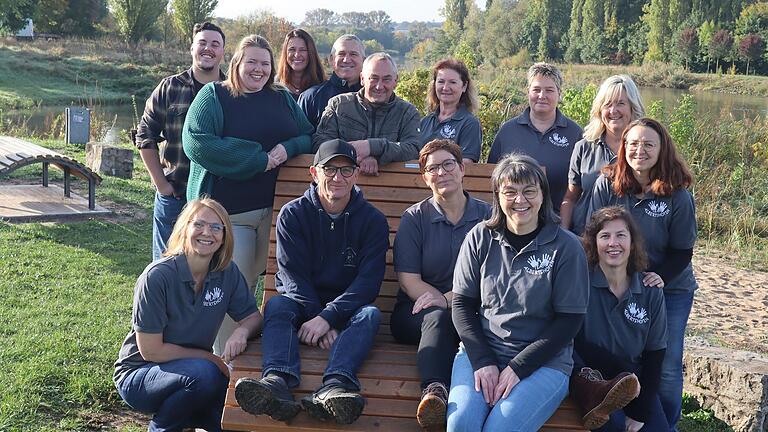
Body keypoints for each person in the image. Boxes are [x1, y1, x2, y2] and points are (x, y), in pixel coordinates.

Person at [234, 139, 389, 425]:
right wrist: (318, 316)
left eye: (345, 170)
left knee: (371, 314)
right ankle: (277, 381)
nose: (337, 177)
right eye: (329, 169)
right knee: (278, 304)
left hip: (347, 309)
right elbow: (292, 276)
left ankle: (335, 384)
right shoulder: (293, 214)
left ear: (356, 174)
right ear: (314, 173)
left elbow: (368, 283)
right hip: (301, 305)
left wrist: (329, 317)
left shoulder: (373, 221)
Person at [183, 34, 313, 355]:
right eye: (251, 61)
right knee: (230, 289)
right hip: (228, 217)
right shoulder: (214, 96)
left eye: (265, 63)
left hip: (273, 214)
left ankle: (259, 361)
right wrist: (259, 159)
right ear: (237, 63)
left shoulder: (281, 98)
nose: (258, 69)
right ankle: (223, 363)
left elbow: (309, 135)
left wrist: (287, 148)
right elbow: (197, 142)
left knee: (266, 285)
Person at [448, 154, 590, 431]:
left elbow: (569, 321)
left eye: (529, 191)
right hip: (481, 351)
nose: (520, 200)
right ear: (497, 196)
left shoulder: (566, 247)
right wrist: (484, 361)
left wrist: (518, 367)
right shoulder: (479, 237)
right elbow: (462, 304)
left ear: (543, 195)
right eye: (510, 192)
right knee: (461, 424)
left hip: (544, 362)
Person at [113, 198, 262, 432]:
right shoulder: (157, 277)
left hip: (195, 375)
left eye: (216, 227)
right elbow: (151, 350)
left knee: (233, 420)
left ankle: (190, 418)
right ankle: (162, 427)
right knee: (207, 374)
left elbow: (253, 318)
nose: (207, 233)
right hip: (141, 373)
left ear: (224, 236)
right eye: (199, 224)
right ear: (185, 228)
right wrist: (211, 358)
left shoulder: (227, 272)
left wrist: (242, 332)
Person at [588, 118, 696, 431]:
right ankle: (628, 407)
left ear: (662, 149)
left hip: (667, 285)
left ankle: (666, 423)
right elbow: (593, 233)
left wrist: (660, 276)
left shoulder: (678, 195)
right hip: (616, 282)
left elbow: (682, 251)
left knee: (668, 367)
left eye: (649, 144)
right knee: (622, 352)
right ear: (623, 147)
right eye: (633, 144)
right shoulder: (607, 184)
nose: (640, 150)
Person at [391, 139, 491, 428]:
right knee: (438, 317)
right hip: (416, 311)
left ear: (462, 169)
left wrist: (450, 300)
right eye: (432, 168)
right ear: (425, 178)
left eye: (448, 164)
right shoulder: (415, 218)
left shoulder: (487, 216)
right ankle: (433, 393)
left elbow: (491, 275)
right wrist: (441, 303)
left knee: (448, 314)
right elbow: (409, 280)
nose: (441, 172)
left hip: (474, 308)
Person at [135, 22, 226, 261]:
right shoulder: (170, 87)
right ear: (192, 48)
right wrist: (161, 185)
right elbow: (145, 135)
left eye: (215, 44)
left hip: (217, 199)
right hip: (174, 194)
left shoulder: (231, 92)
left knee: (211, 268)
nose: (208, 49)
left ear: (223, 52)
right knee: (166, 265)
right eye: (202, 43)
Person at [572, 206, 668, 431]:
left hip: (634, 382)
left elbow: (656, 354)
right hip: (591, 380)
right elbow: (574, 342)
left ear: (632, 243)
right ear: (594, 244)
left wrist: (641, 411)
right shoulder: (579, 284)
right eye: (605, 236)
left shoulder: (650, 289)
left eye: (621, 235)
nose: (613, 243)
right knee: (612, 425)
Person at [487, 62, 583, 213]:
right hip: (513, 220)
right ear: (528, 92)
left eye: (549, 90)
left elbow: (580, 189)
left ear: (559, 93)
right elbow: (492, 178)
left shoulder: (575, 133)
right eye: (536, 89)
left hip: (558, 222)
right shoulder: (508, 130)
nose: (542, 96)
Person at [561, 75, 645, 235]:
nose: (613, 111)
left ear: (633, 107)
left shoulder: (644, 151)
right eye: (608, 104)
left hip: (627, 244)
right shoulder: (583, 148)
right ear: (600, 109)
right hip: (584, 239)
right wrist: (564, 234)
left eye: (621, 103)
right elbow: (571, 197)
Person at [314, 52, 421, 176]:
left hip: (389, 190)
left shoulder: (408, 112)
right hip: (340, 183)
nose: (379, 86)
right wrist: (355, 156)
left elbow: (413, 149)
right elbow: (320, 143)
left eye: (386, 79)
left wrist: (373, 147)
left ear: (395, 81)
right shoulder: (338, 105)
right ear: (362, 79)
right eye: (373, 78)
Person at [418, 59, 482, 163]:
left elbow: (467, 164)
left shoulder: (469, 123)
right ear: (434, 85)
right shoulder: (424, 122)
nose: (445, 87)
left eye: (452, 82)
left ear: (464, 86)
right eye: (441, 81)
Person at [298, 34, 365, 128]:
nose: (346, 60)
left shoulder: (373, 97)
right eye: (341, 54)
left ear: (364, 60)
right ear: (331, 59)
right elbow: (301, 137)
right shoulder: (311, 98)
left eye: (353, 54)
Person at [275, 29, 325, 100]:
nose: (297, 55)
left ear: (311, 53)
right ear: (285, 53)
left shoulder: (323, 88)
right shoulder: (275, 87)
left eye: (302, 50)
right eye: (292, 49)